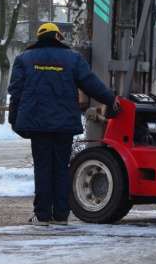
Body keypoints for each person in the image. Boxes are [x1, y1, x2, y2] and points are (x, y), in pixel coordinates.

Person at [8, 22, 118, 226]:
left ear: (39, 38)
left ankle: (42, 216)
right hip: (64, 125)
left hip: (37, 124)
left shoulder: (24, 59)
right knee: (61, 168)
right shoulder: (72, 59)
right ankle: (60, 215)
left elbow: (16, 92)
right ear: (58, 37)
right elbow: (91, 83)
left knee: (42, 168)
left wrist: (14, 119)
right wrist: (110, 99)